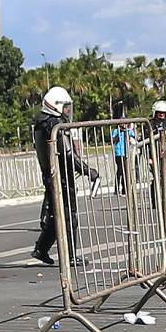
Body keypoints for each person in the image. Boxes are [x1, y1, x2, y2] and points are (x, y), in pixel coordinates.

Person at [31, 87, 99, 266]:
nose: (68, 111)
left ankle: (41, 249)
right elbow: (68, 153)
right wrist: (87, 170)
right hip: (60, 176)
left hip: (52, 174)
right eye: (66, 107)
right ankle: (69, 256)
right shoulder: (55, 125)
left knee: (57, 215)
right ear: (55, 106)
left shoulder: (41, 122)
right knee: (69, 216)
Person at [111, 122, 134, 195]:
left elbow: (134, 137)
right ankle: (117, 189)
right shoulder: (115, 131)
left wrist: (130, 128)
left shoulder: (128, 130)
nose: (123, 125)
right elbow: (114, 140)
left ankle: (125, 189)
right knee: (120, 171)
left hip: (126, 153)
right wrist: (119, 132)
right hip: (119, 153)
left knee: (126, 171)